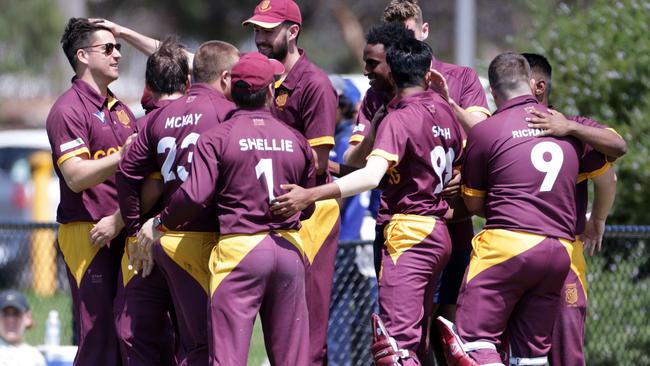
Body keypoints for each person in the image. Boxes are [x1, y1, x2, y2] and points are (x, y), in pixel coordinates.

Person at [272, 37, 464, 366]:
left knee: (396, 347)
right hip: (438, 231)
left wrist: (310, 194)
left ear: (393, 68)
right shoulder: (444, 111)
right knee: (416, 342)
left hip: (409, 233)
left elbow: (371, 176)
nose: (366, 71)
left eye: (373, 64)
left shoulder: (400, 117)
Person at [138, 51, 315, 365]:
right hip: (288, 248)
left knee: (227, 358)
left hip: (241, 250)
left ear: (232, 90)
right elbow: (309, 205)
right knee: (293, 359)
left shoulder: (217, 137)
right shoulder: (296, 138)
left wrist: (161, 222)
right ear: (271, 91)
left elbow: (193, 196)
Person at [438, 52, 588, 366]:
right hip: (558, 252)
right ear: (531, 84)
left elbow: (476, 203)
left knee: (472, 344)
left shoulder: (487, 131)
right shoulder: (568, 129)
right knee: (531, 356)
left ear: (493, 92)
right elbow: (615, 152)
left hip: (508, 245)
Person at [117, 40, 239, 366]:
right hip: (199, 239)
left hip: (158, 241)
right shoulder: (228, 113)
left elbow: (126, 173)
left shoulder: (160, 116)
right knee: (201, 345)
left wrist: (132, 230)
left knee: (141, 338)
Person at [242, 1, 339, 364]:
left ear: (293, 31)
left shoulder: (313, 84)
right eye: (256, 30)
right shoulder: (260, 80)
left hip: (310, 215)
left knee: (308, 335)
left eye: (268, 30)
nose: (260, 39)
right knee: (279, 336)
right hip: (274, 214)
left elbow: (318, 163)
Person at [522, 52, 625, 366]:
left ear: (539, 87)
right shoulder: (501, 127)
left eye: (514, 81)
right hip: (521, 255)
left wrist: (598, 220)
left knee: (564, 351)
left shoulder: (569, 130)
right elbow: (610, 178)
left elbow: (614, 155)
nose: (501, 88)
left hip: (552, 255)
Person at [46, 17, 136, 366]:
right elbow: (76, 176)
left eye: (119, 49)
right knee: (98, 339)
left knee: (132, 333)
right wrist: (123, 155)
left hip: (122, 230)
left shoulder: (122, 110)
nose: (117, 55)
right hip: (88, 232)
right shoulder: (68, 109)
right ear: (82, 56)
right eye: (108, 48)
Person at [112, 37, 190, 366]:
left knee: (135, 332)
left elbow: (141, 183)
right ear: (188, 82)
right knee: (193, 337)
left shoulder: (148, 121)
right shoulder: (212, 114)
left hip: (152, 238)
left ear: (149, 86)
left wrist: (127, 227)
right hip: (196, 237)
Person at [0, 290, 47, 366]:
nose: (10, 320)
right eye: (5, 314)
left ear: (28, 318)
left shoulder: (34, 357)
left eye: (16, 314)